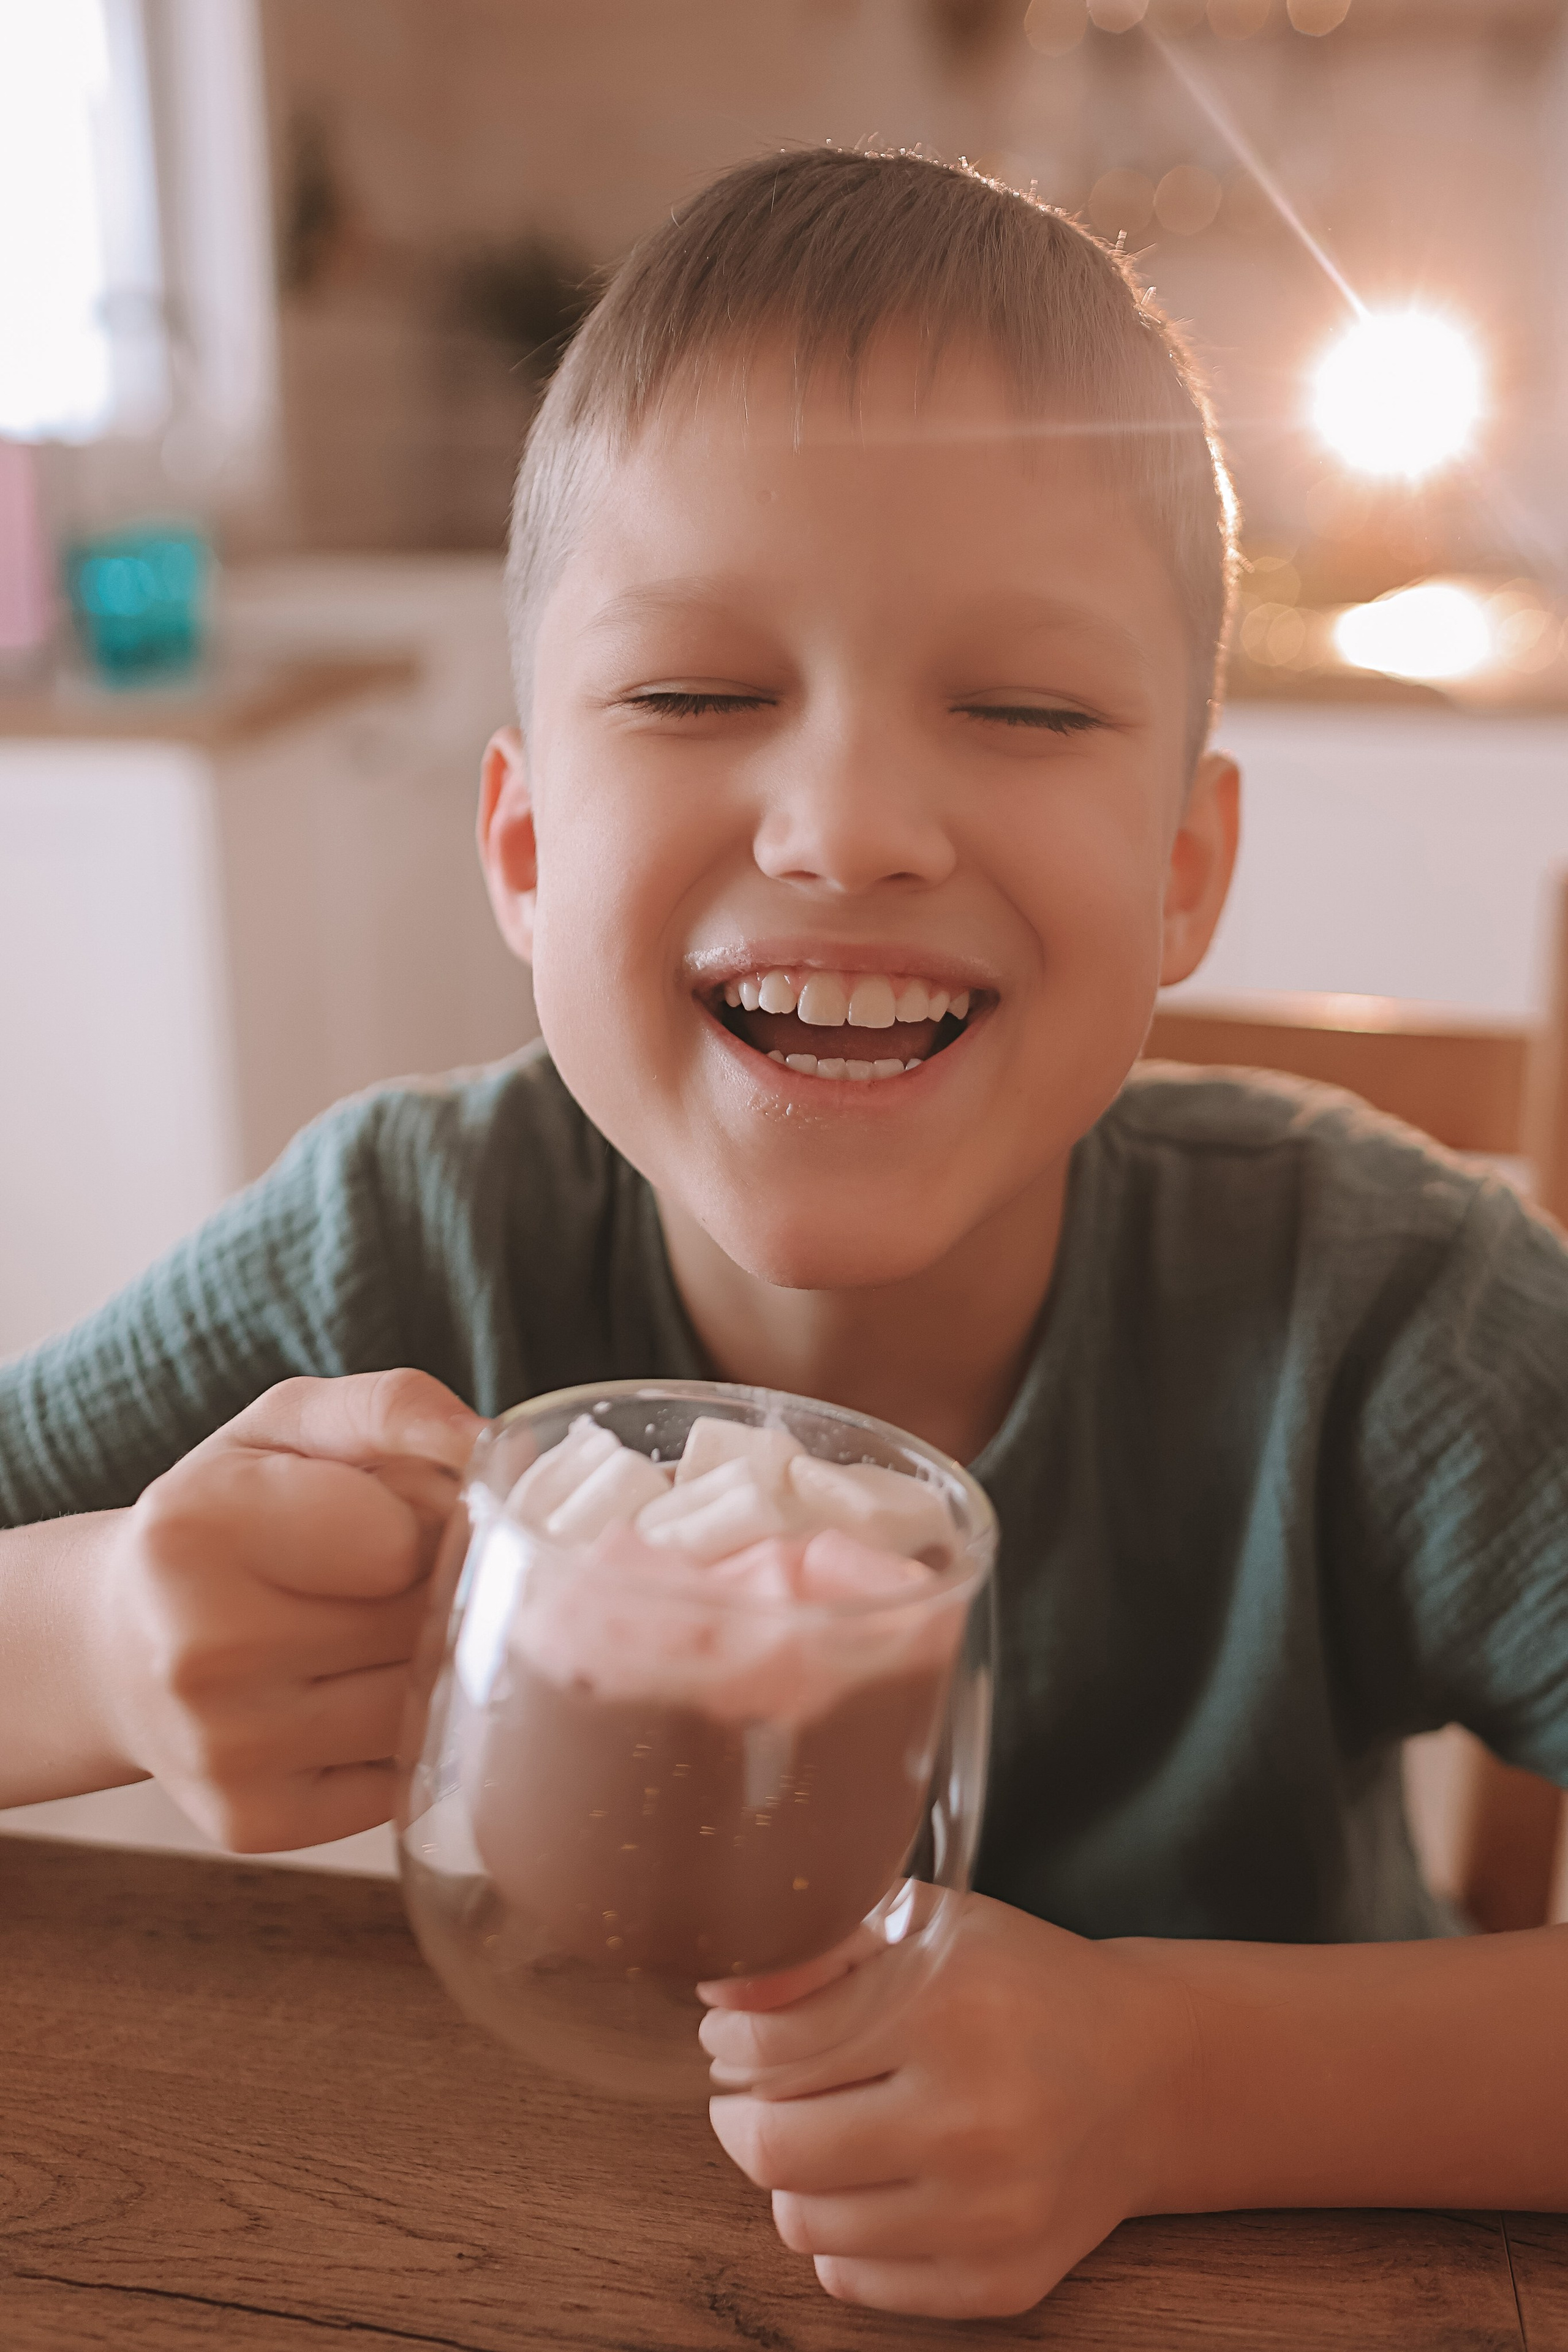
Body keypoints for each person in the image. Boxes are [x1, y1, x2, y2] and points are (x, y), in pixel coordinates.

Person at [2, 148, 1565, 2318]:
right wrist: (85, 1635)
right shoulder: (393, 1253)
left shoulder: (1387, 1318)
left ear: (1189, 868)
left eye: (1022, 709)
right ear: (530, 843)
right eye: (696, 695)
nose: (847, 828)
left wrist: (1176, 2084)